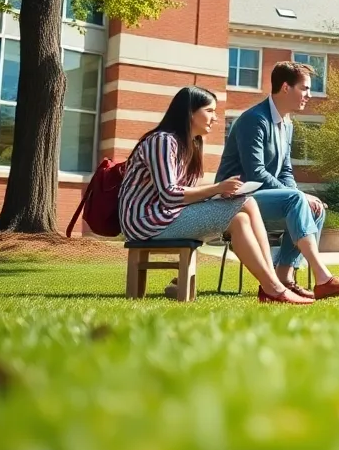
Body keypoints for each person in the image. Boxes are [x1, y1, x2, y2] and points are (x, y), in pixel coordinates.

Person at [118, 86, 311, 305]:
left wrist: (220, 194)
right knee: (247, 203)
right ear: (190, 112)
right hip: (146, 221)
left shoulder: (191, 144)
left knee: (240, 218)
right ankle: (273, 286)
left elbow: (185, 195)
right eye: (209, 111)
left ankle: (271, 286)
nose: (215, 118)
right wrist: (217, 188)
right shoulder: (162, 141)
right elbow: (170, 196)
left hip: (167, 216)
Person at [216, 61, 339, 300]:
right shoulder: (254, 119)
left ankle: (284, 278)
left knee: (315, 208)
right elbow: (256, 172)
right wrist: (298, 195)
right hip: (234, 200)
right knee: (297, 199)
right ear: (285, 87)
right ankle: (323, 277)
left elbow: (285, 171)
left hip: (264, 198)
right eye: (304, 88)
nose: (309, 95)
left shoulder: (287, 123)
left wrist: (301, 196)